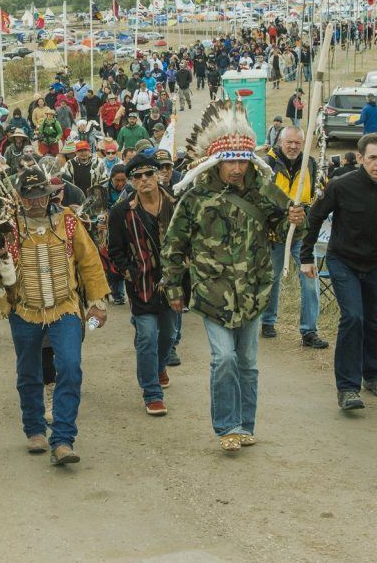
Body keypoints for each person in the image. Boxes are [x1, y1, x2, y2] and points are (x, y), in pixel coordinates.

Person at [161, 102, 305, 452]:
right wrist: (172, 288)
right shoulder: (195, 198)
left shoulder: (265, 191)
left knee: (249, 364)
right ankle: (226, 426)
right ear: (217, 163)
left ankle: (245, 424)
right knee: (223, 358)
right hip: (212, 295)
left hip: (254, 292)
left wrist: (298, 222)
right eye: (231, 162)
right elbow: (174, 245)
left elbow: (286, 229)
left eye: (242, 161)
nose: (237, 169)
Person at [0, 168, 109, 465]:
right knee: (29, 372)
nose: (36, 202)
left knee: (70, 367)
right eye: (30, 197)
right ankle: (35, 428)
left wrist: (98, 302)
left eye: (41, 196)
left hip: (65, 308)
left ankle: (63, 438)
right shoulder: (7, 226)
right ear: (20, 197)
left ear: (49, 195)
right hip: (24, 310)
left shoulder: (68, 221)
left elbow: (89, 262)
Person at [301, 133, 377, 411]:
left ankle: (372, 374)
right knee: (353, 317)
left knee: (373, 321)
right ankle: (347, 388)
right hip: (343, 260)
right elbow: (315, 216)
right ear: (360, 159)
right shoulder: (340, 186)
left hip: (374, 263)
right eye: (372, 158)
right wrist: (306, 256)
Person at [107, 153, 182, 415]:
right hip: (141, 286)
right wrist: (129, 272)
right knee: (148, 336)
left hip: (173, 284)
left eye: (149, 173)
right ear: (131, 182)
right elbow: (114, 249)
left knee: (170, 335)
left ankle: (159, 366)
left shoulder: (176, 203)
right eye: (137, 176)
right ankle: (152, 392)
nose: (144, 180)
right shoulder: (120, 211)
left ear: (159, 174)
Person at [260, 127, 328, 348]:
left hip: (302, 233)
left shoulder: (310, 163)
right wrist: (282, 214)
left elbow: (316, 195)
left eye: (298, 143)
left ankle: (309, 331)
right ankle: (268, 321)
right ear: (280, 141)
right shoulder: (267, 165)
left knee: (310, 279)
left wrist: (306, 215)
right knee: (272, 277)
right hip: (274, 233)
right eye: (289, 142)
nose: (293, 147)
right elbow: (261, 197)